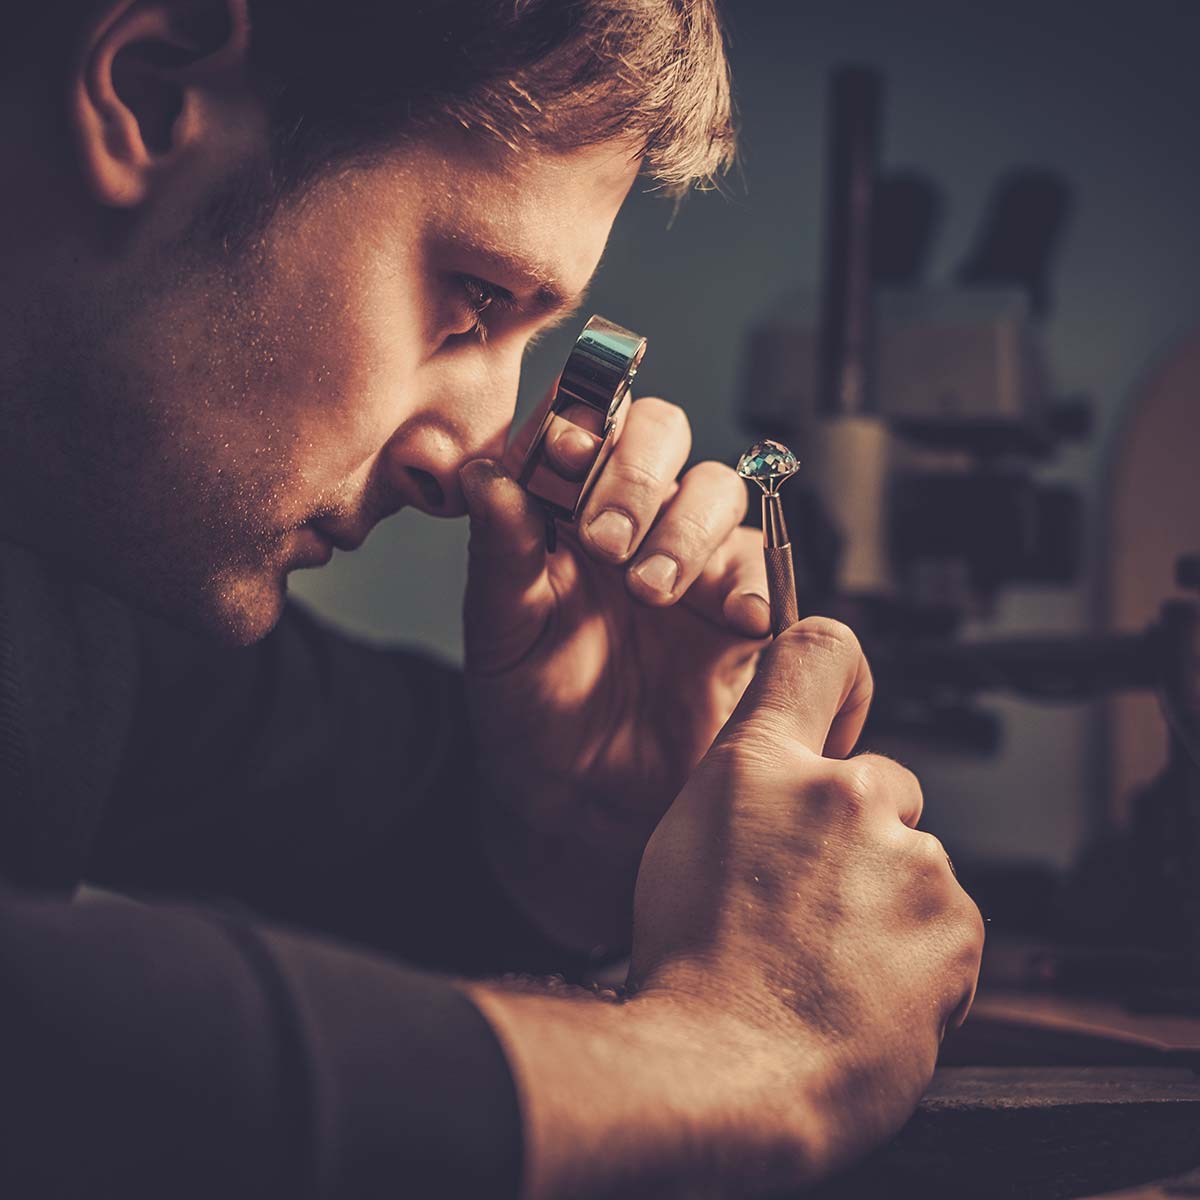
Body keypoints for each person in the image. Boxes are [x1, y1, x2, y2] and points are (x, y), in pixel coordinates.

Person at [0, 1, 984, 1196]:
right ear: (152, 93)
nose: (475, 453)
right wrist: (723, 1055)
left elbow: (324, 755)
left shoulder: (70, 582)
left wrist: (567, 829)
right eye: (468, 301)